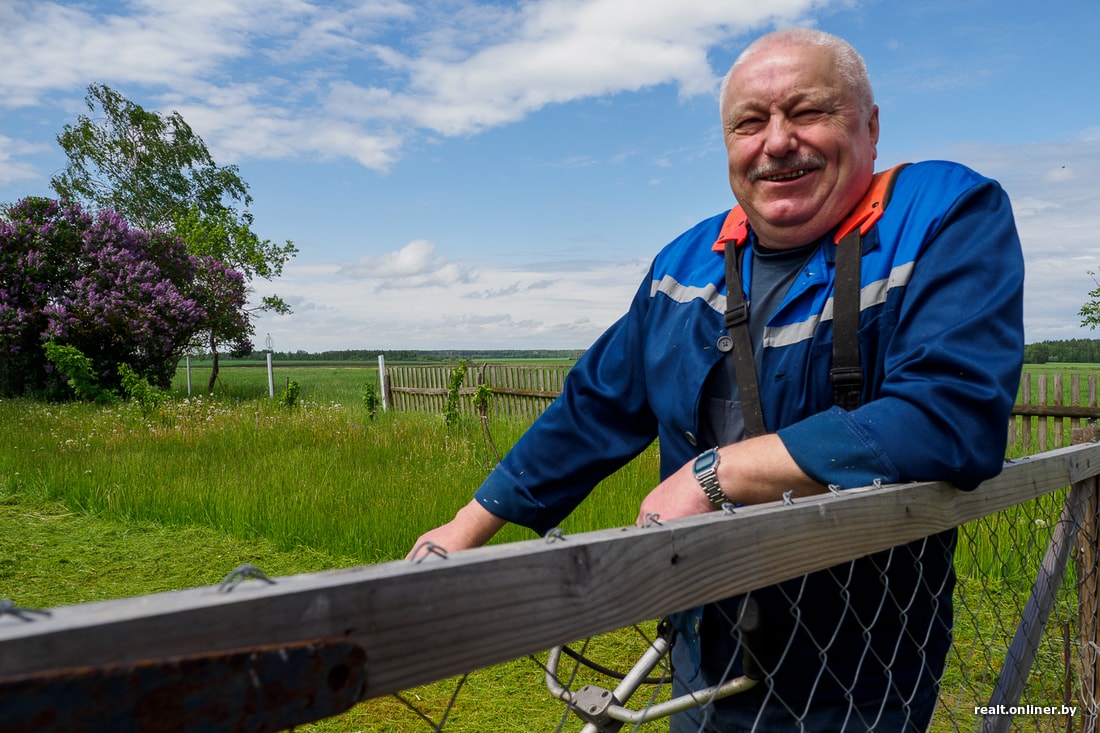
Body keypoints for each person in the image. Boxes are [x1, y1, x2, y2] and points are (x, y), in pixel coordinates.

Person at [410, 27, 1024, 732]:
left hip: (863, 668)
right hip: (704, 651)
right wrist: (466, 525)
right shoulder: (688, 263)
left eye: (808, 111)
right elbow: (595, 406)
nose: (778, 140)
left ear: (871, 125)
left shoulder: (943, 215)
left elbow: (952, 416)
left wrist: (715, 473)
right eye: (750, 122)